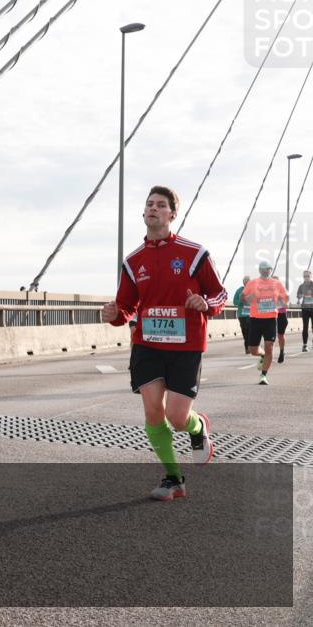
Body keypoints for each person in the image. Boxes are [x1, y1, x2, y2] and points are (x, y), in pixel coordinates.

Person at [102, 186, 225, 501]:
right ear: (144, 213)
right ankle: (173, 478)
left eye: (160, 205)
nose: (153, 209)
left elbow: (219, 294)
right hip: (148, 345)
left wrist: (205, 304)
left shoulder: (194, 254)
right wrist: (115, 314)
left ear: (172, 214)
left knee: (177, 418)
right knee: (153, 411)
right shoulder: (133, 261)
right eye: (149, 205)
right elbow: (126, 307)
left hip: (186, 347)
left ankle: (198, 428)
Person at [242, 262, 289, 385]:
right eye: (262, 269)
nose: (265, 271)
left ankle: (263, 375)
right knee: (252, 350)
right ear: (259, 270)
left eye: (267, 269)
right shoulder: (252, 283)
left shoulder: (277, 283)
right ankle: (262, 355)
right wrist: (248, 298)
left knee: (269, 347)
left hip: (270, 320)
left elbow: (285, 296)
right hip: (255, 319)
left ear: (270, 270)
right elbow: (242, 297)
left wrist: (285, 301)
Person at [233, 276, 251, 355]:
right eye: (245, 281)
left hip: (251, 315)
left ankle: (251, 346)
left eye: (248, 281)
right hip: (242, 315)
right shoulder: (239, 290)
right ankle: (247, 348)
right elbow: (234, 302)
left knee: (251, 331)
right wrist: (241, 301)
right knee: (245, 332)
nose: (247, 283)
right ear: (243, 283)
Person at [298, 270, 313, 352]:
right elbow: (298, 296)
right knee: (305, 327)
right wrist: (301, 296)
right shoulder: (301, 286)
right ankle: (305, 345)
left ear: (310, 276)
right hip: (305, 309)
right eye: (305, 276)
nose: (306, 277)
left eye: (308, 276)